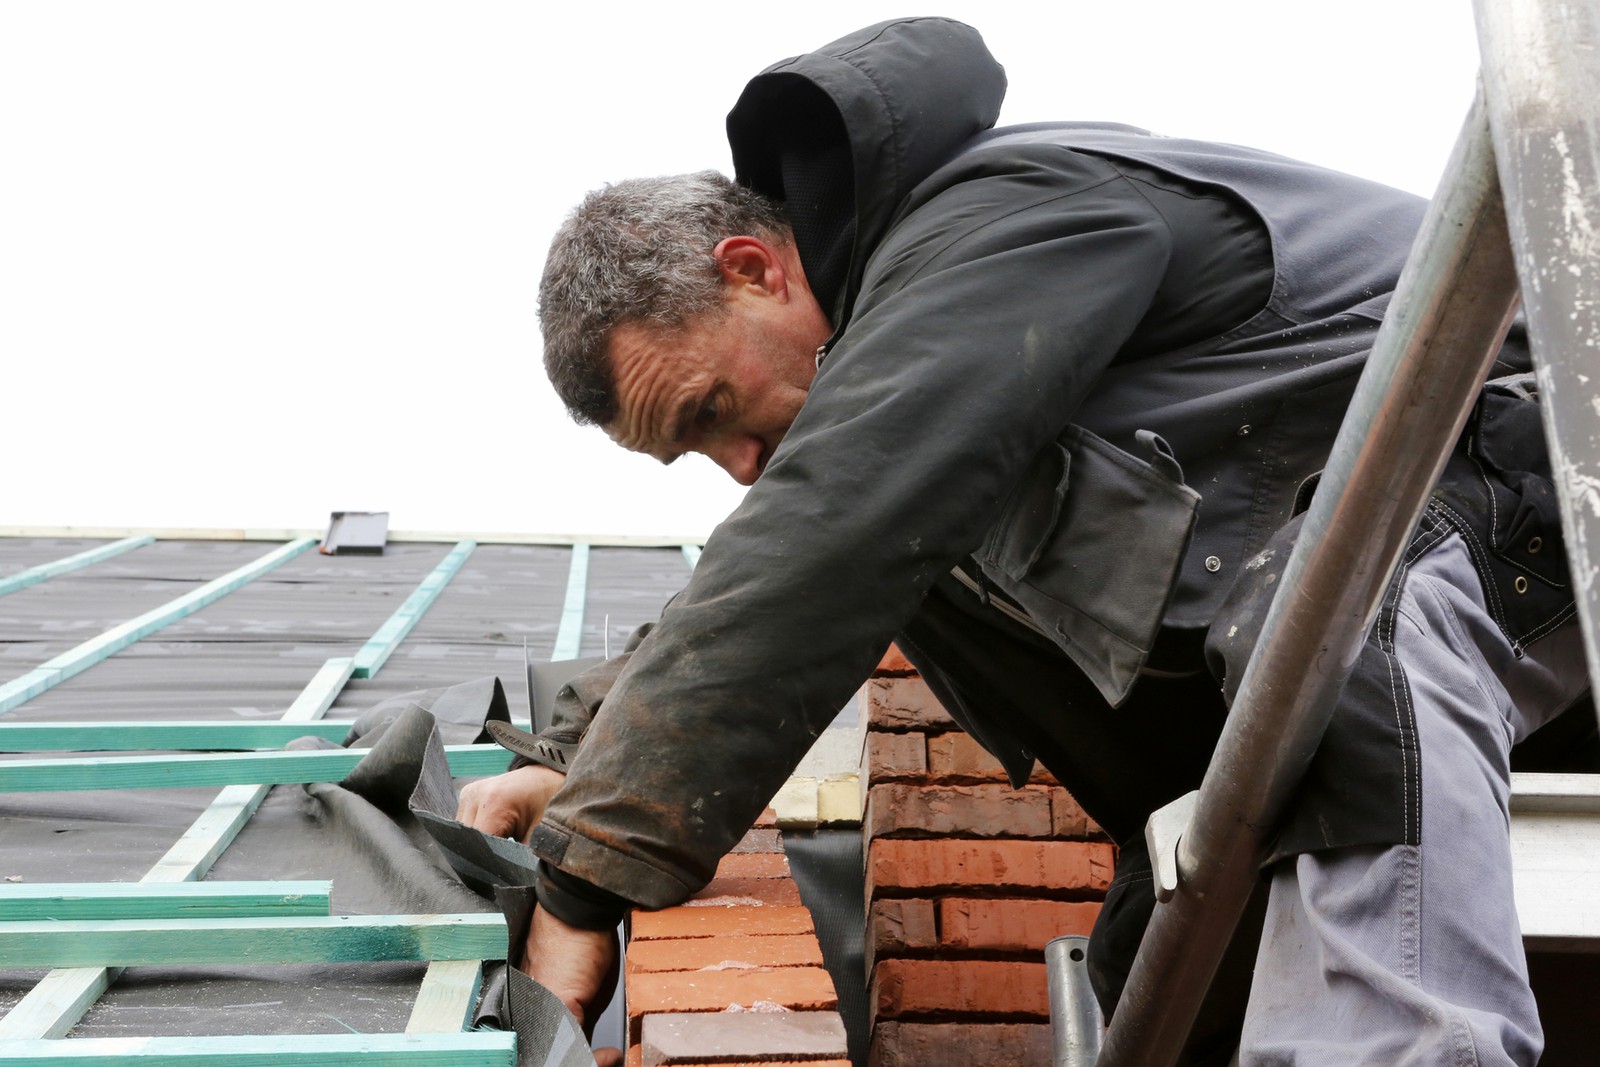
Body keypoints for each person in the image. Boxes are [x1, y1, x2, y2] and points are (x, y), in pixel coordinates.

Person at [458, 18, 1590, 1066]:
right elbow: (767, 571)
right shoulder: (890, 424)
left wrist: (580, 887)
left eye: (708, 412)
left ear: (752, 267)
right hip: (1346, 638)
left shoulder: (1001, 216)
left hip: (1525, 469)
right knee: (1152, 962)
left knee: (1336, 629)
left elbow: (814, 538)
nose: (737, 467)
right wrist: (571, 767)